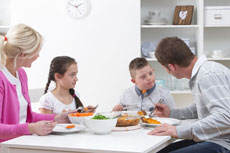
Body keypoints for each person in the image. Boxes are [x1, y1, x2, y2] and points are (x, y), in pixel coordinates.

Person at [148, 37, 230, 153]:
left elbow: (225, 117)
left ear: (171, 67)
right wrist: (171, 113)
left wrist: (178, 131)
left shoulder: (208, 75)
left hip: (224, 143)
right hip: (212, 138)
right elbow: (200, 109)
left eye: (165, 68)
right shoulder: (202, 73)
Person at [0, 24, 75, 143]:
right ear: (22, 55)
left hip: (20, 142)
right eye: (36, 52)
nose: (38, 56)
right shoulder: (1, 79)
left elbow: (25, 116)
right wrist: (31, 128)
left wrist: (57, 118)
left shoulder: (21, 74)